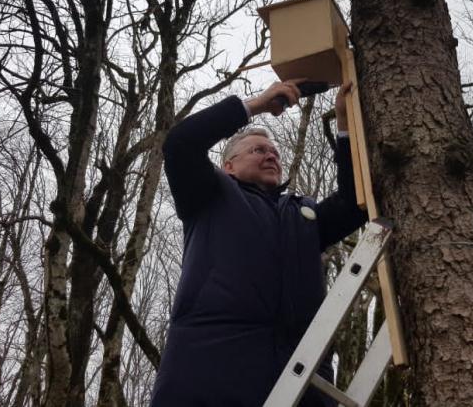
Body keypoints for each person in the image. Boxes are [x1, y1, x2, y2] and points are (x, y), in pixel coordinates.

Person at [149, 79, 369, 407]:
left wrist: (345, 125)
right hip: (212, 378)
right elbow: (181, 143)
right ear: (228, 166)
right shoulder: (209, 194)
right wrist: (257, 105)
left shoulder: (303, 215)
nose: (271, 157)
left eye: (275, 153)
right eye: (258, 150)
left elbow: (355, 205)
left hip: (300, 384)